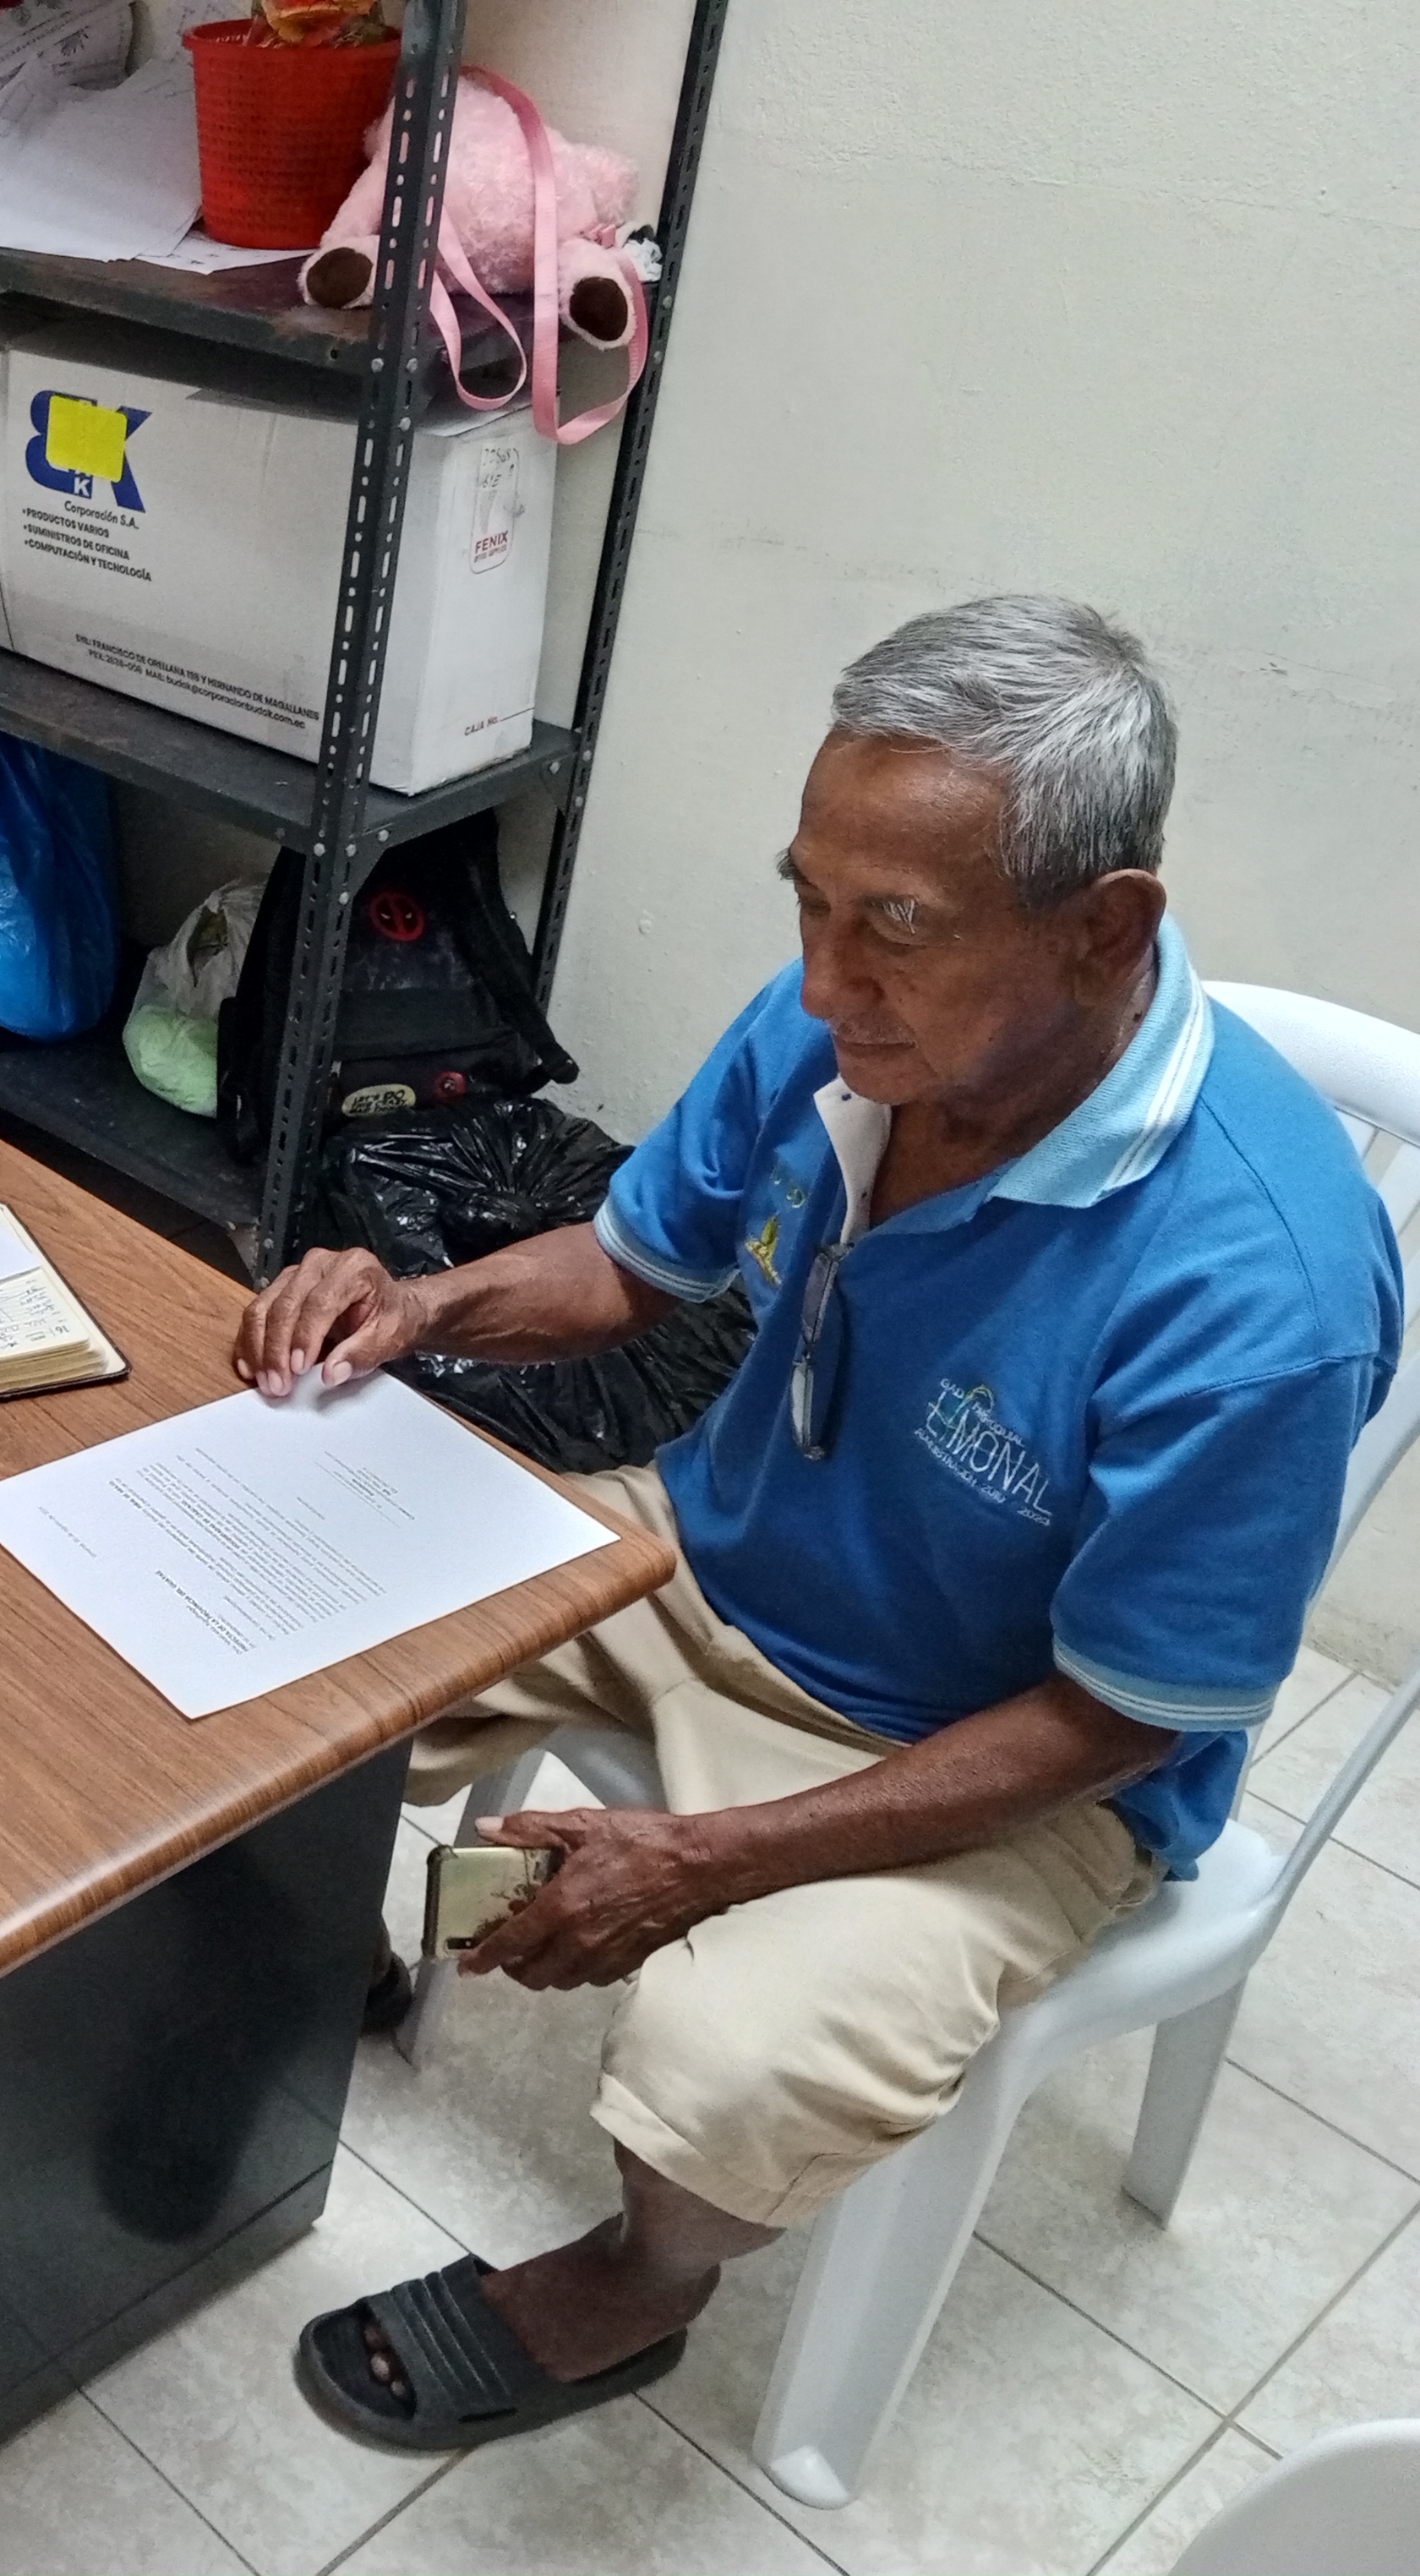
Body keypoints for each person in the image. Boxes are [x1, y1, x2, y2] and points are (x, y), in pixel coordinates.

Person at [236, 598, 1401, 2451]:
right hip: (705, 1559)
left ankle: (642, 2281)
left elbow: (1117, 1717)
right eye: (809, 902)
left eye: (895, 927)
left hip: (997, 1751)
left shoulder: (1258, 1289)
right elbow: (635, 1264)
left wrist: (704, 1859)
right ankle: (332, 1949)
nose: (822, 977)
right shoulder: (844, 1034)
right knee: (275, 1638)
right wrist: (418, 1304)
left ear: (1104, 930)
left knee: (725, 2064)